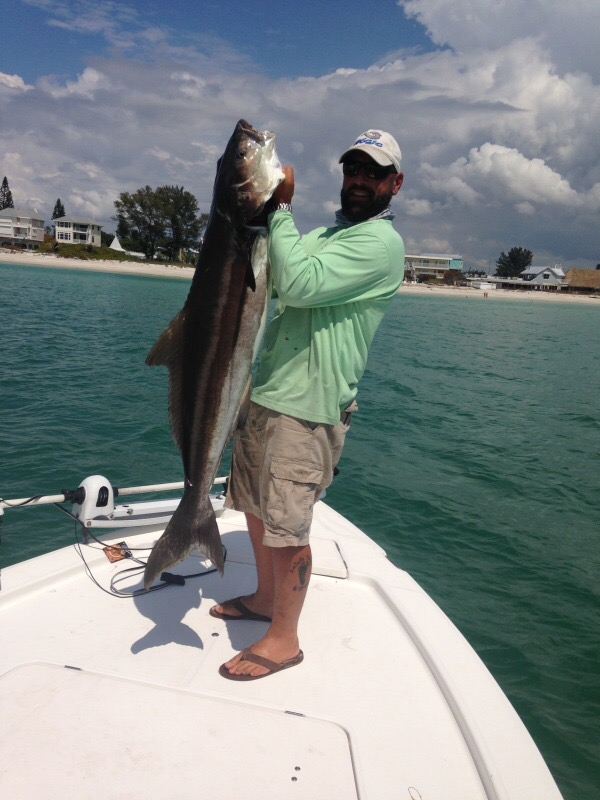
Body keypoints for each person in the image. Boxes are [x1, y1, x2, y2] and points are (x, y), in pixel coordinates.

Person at [211, 129, 405, 680]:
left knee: (288, 526)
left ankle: (284, 639)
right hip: (268, 390)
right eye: (353, 170)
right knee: (252, 504)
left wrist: (281, 209)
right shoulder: (324, 235)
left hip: (309, 407)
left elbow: (295, 285)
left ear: (395, 183)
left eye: (373, 173)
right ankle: (264, 599)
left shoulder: (379, 246)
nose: (360, 181)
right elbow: (265, 273)